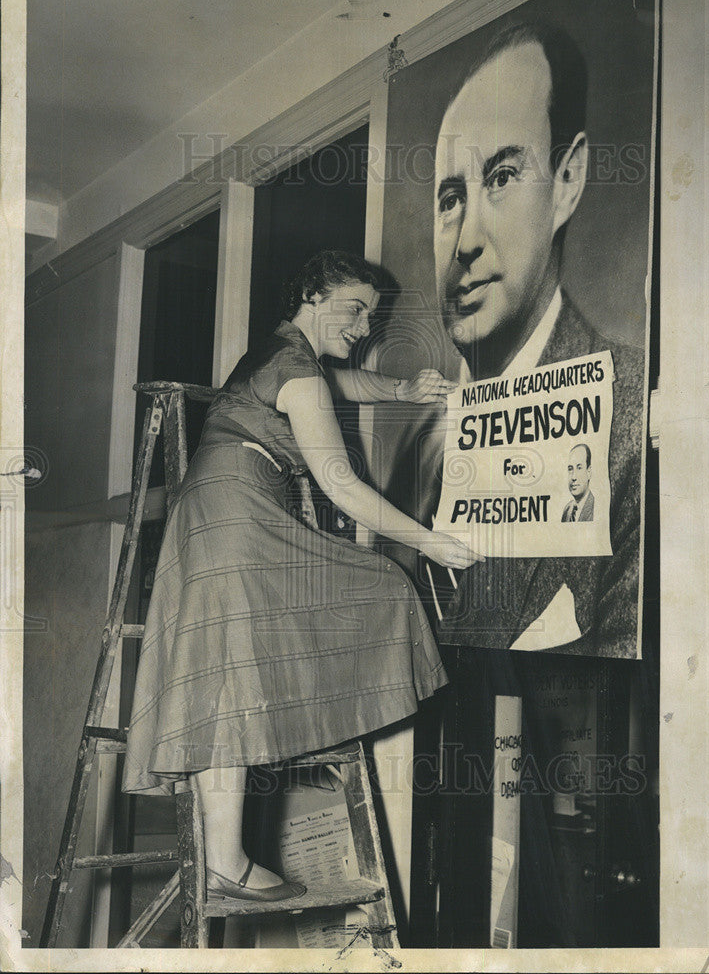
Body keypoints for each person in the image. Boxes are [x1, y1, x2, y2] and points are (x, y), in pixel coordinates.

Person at [122, 250, 481, 903]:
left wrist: (400, 391)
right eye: (353, 308)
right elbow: (340, 483)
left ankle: (225, 855)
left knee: (226, 673)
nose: (362, 326)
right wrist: (428, 540)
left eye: (371, 316)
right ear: (312, 296)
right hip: (239, 511)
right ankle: (243, 828)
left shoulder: (280, 355)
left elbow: (344, 384)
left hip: (219, 508)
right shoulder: (295, 367)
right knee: (386, 588)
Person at [430, 20, 645, 658]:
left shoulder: (632, 411)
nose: (465, 240)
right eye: (449, 197)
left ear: (567, 181)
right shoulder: (411, 442)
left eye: (501, 177)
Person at [561, 443, 594, 522]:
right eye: (570, 469)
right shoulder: (567, 509)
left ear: (588, 472)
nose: (573, 477)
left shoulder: (596, 507)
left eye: (579, 468)